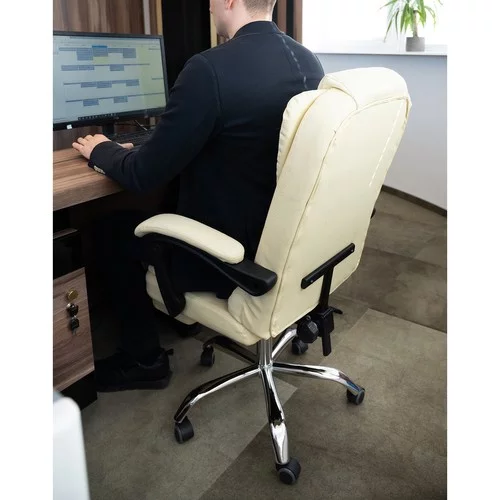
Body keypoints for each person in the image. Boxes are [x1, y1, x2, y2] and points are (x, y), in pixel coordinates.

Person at [72, 0, 325, 392]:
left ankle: (143, 359)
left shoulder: (209, 69)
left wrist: (102, 150)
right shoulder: (308, 62)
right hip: (286, 244)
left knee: (111, 230)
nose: (208, 6)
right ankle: (174, 324)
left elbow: (142, 174)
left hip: (233, 258)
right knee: (164, 203)